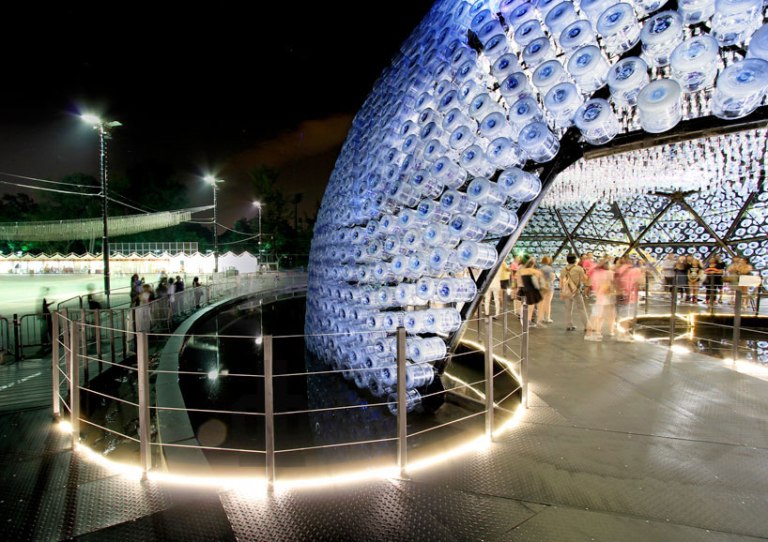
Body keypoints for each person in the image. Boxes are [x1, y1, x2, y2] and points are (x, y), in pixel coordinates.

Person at [585, 258, 616, 341]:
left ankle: (596, 332)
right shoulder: (607, 273)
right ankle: (590, 333)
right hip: (603, 297)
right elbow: (607, 285)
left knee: (598, 316)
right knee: (597, 316)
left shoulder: (595, 273)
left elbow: (590, 277)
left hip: (599, 296)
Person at [560, 254, 589, 332]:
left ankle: (568, 325)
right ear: (575, 260)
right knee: (581, 308)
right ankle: (586, 326)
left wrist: (562, 292)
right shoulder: (579, 269)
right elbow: (584, 279)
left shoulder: (563, 269)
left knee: (568, 308)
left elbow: (561, 282)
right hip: (576, 291)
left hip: (567, 292)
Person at [518, 258, 543, 327]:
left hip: (525, 289)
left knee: (525, 305)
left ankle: (525, 320)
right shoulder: (535, 271)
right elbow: (540, 279)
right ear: (533, 264)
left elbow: (520, 281)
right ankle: (528, 320)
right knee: (531, 306)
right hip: (532, 290)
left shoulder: (522, 271)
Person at [537, 255, 555, 325]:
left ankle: (540, 318)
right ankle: (547, 317)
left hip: (541, 286)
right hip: (549, 286)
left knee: (541, 302)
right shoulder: (550, 268)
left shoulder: (540, 268)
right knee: (548, 302)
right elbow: (552, 278)